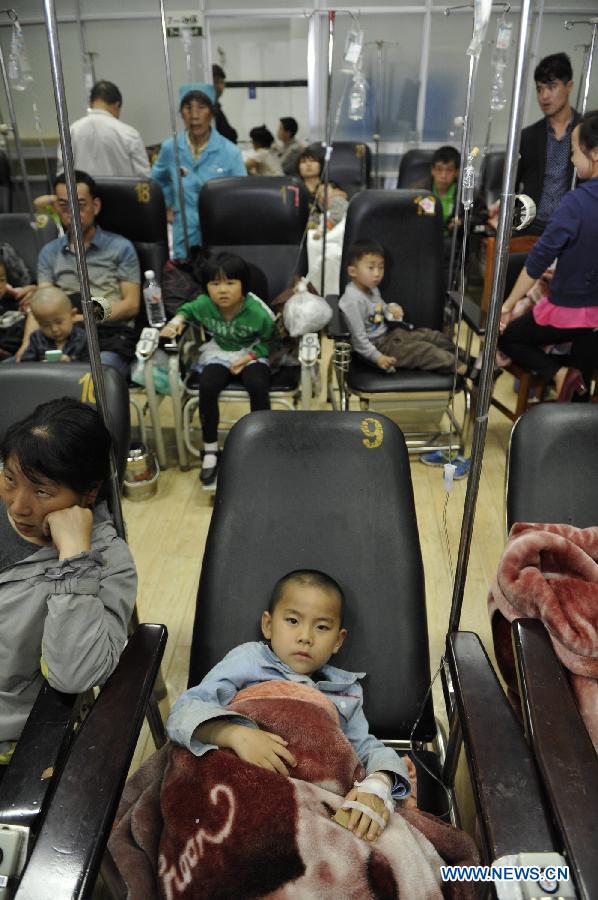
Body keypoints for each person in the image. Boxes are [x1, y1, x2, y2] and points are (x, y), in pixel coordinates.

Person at [166, 569, 415, 843]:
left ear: (338, 640)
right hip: (238, 784)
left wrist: (379, 782)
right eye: (293, 620)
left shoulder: (346, 693)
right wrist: (233, 734)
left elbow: (365, 749)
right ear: (268, 625)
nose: (305, 636)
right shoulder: (249, 661)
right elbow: (184, 710)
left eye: (321, 627)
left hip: (310, 800)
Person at [0, 398, 137, 769]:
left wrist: (75, 558)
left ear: (88, 493)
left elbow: (75, 674)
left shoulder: (107, 562)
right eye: (10, 479)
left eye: (42, 491)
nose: (18, 506)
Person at [499, 111, 598, 402]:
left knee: (509, 337)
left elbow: (539, 258)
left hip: (570, 312)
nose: (571, 160)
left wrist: (508, 304)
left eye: (574, 152)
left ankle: (556, 374)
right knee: (581, 386)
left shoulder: (576, 202)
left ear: (595, 153)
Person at [160, 253, 275, 485]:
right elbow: (187, 309)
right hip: (220, 351)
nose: (222, 290)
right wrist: (176, 322)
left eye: (230, 283)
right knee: (208, 385)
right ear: (206, 287)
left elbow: (272, 342)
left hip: (252, 353)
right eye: (215, 284)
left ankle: (260, 444)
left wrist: (247, 358)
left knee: (257, 384)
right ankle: (211, 449)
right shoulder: (204, 304)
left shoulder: (258, 312)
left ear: (243, 286)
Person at [14, 171, 140, 377]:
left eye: (80, 205)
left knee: (91, 375)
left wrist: (81, 318)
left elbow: (131, 306)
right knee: (16, 372)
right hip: (56, 336)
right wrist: (27, 343)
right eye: (64, 206)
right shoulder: (49, 252)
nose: (72, 213)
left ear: (95, 206)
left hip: (106, 335)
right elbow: (42, 303)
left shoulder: (120, 248)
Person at [339, 239, 469, 376]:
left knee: (431, 336)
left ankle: (466, 358)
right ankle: (466, 370)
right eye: (371, 268)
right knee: (423, 350)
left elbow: (379, 308)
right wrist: (378, 358)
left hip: (389, 337)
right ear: (353, 271)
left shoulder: (372, 289)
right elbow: (359, 341)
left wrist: (390, 309)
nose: (377, 274)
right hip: (374, 350)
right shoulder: (352, 301)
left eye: (381, 267)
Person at [151, 84, 246, 260]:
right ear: (181, 113)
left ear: (211, 112)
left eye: (201, 108)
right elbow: (156, 181)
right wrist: (169, 206)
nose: (194, 116)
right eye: (188, 108)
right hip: (184, 233)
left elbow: (241, 196)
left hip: (220, 233)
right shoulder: (170, 148)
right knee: (184, 280)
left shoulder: (230, 152)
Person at [516, 53, 580, 235]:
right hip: (532, 227)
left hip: (573, 227)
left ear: (569, 86)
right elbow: (513, 185)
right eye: (539, 89)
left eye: (551, 87)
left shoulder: (585, 133)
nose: (544, 96)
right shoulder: (528, 136)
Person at [56, 80, 150, 179]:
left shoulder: (71, 131)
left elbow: (62, 175)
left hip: (82, 194)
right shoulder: (129, 134)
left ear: (90, 103)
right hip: (120, 194)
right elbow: (144, 178)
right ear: (117, 105)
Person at [20, 287, 89, 363]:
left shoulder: (82, 337)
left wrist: (71, 362)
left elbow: (90, 366)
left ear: (72, 315)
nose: (54, 329)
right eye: (45, 325)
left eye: (59, 322)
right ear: (38, 323)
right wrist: (40, 366)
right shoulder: (36, 339)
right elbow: (25, 364)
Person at [212, 64, 238, 144]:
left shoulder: (217, 107)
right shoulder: (208, 109)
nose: (220, 86)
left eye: (222, 82)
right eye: (216, 82)